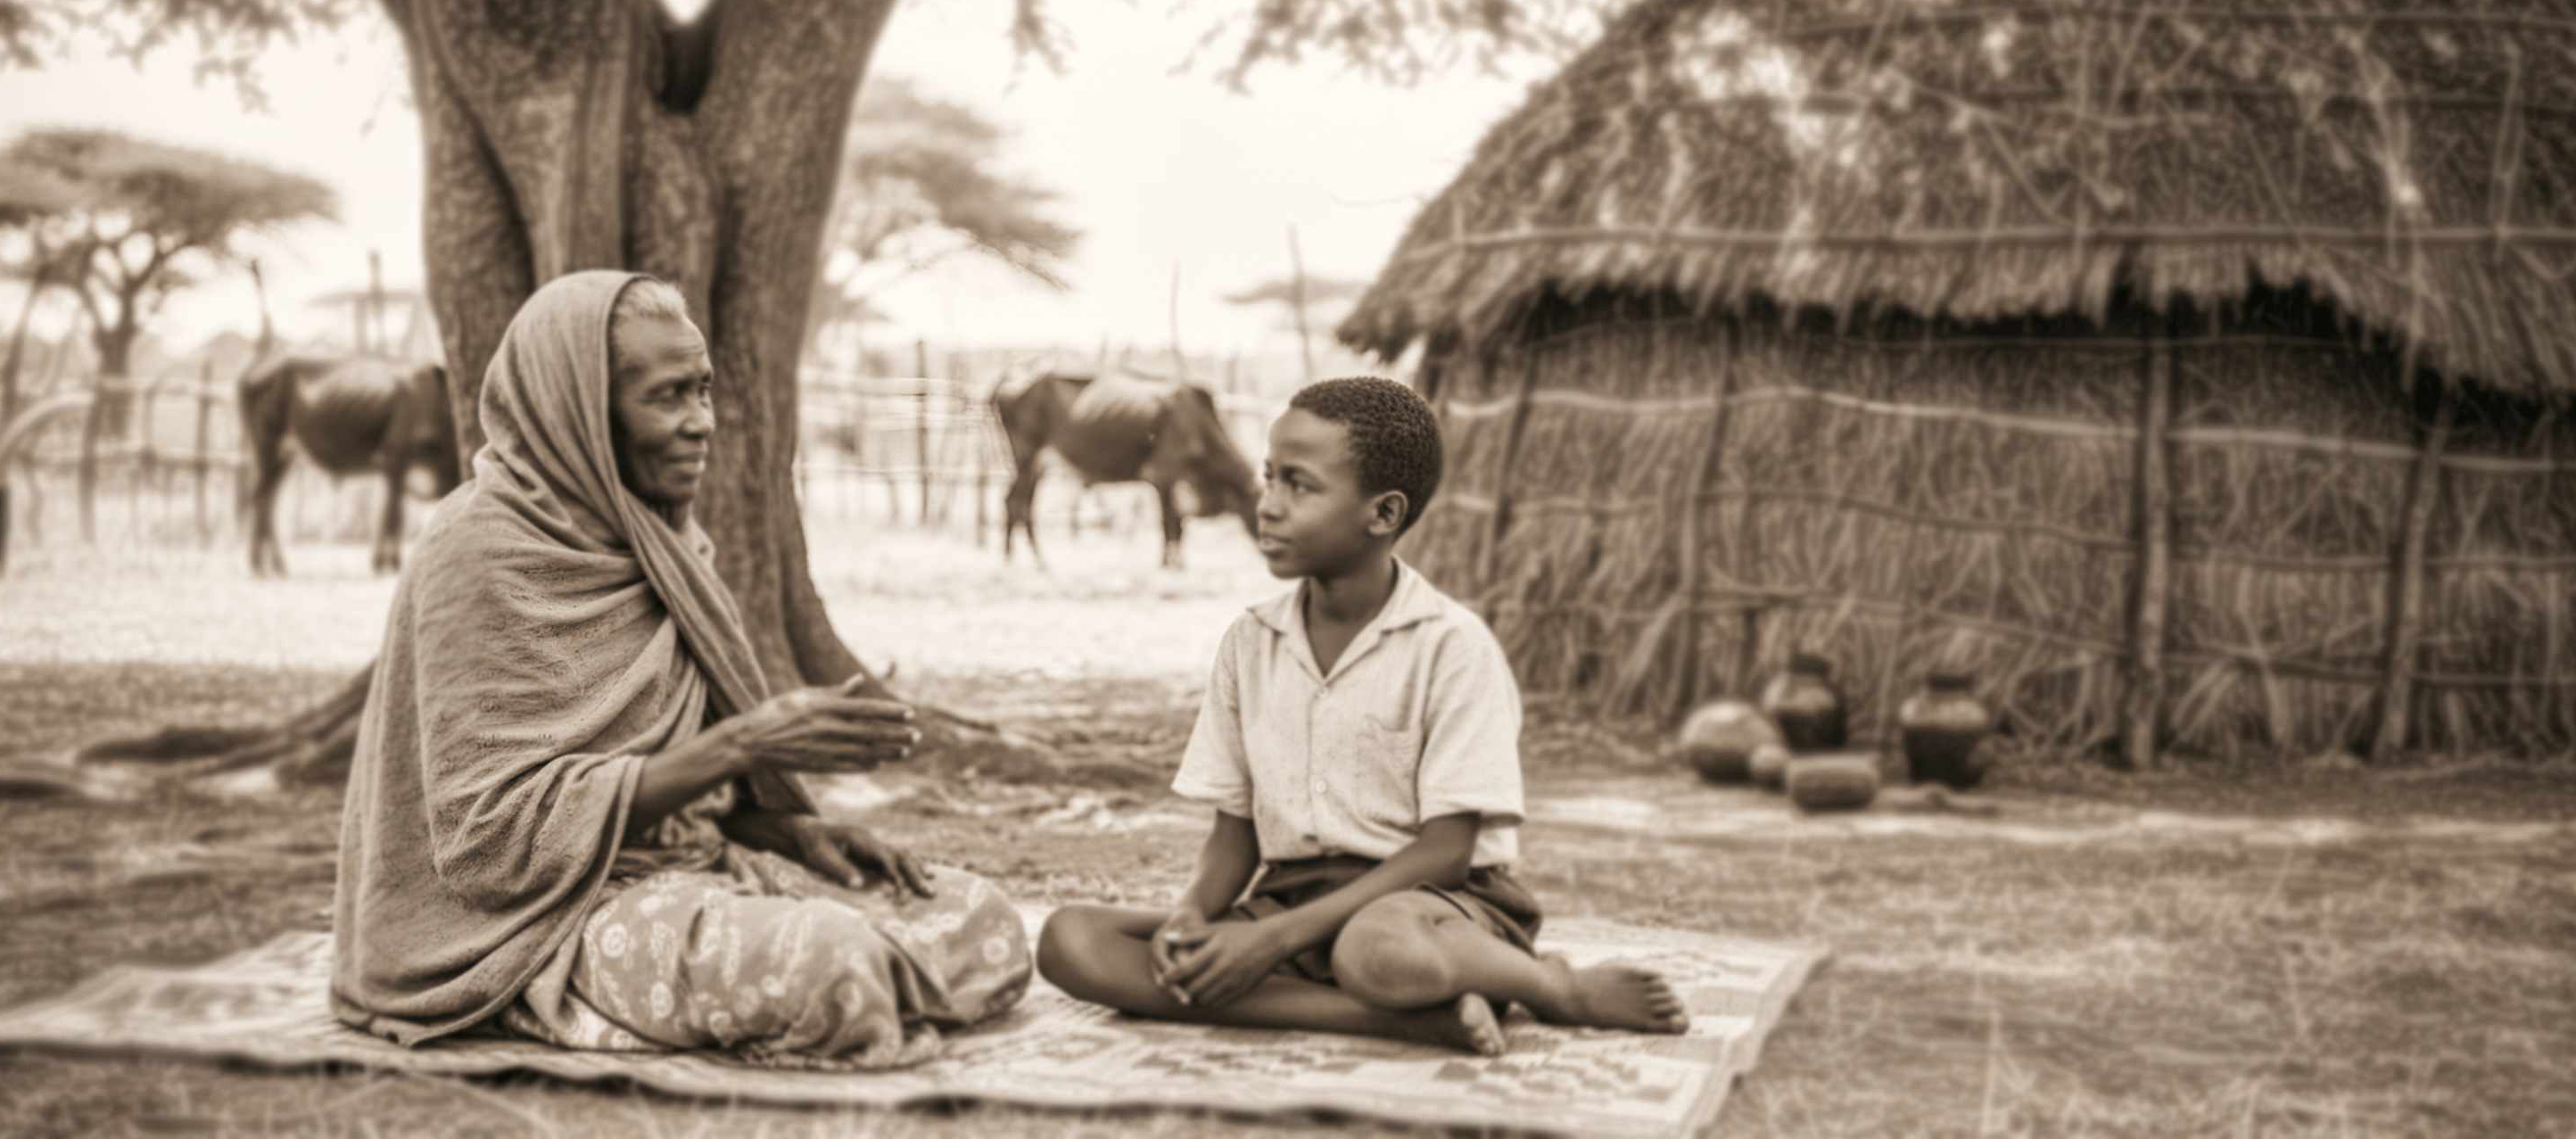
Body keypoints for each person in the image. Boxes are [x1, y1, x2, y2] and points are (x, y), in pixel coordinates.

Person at [331, 270, 1029, 1069]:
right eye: (668, 397)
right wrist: (747, 743)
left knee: (984, 918)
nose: (703, 424)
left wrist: (796, 834)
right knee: (831, 964)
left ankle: (818, 987)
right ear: (582, 410)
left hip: (694, 874)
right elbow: (490, 846)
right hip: (538, 924)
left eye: (704, 391)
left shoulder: (670, 548)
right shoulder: (477, 551)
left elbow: (670, 791)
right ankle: (564, 1003)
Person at [1034, 376, 1690, 1055]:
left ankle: (1549, 987)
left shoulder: (1451, 647)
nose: (1269, 507)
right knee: (1073, 940)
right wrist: (1190, 917)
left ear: (1382, 515)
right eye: (1268, 479)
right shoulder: (1250, 643)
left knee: (1375, 950)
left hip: (1434, 907)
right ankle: (1394, 1020)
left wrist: (1270, 942)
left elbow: (1447, 848)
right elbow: (1234, 834)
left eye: (1300, 486)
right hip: (1291, 900)